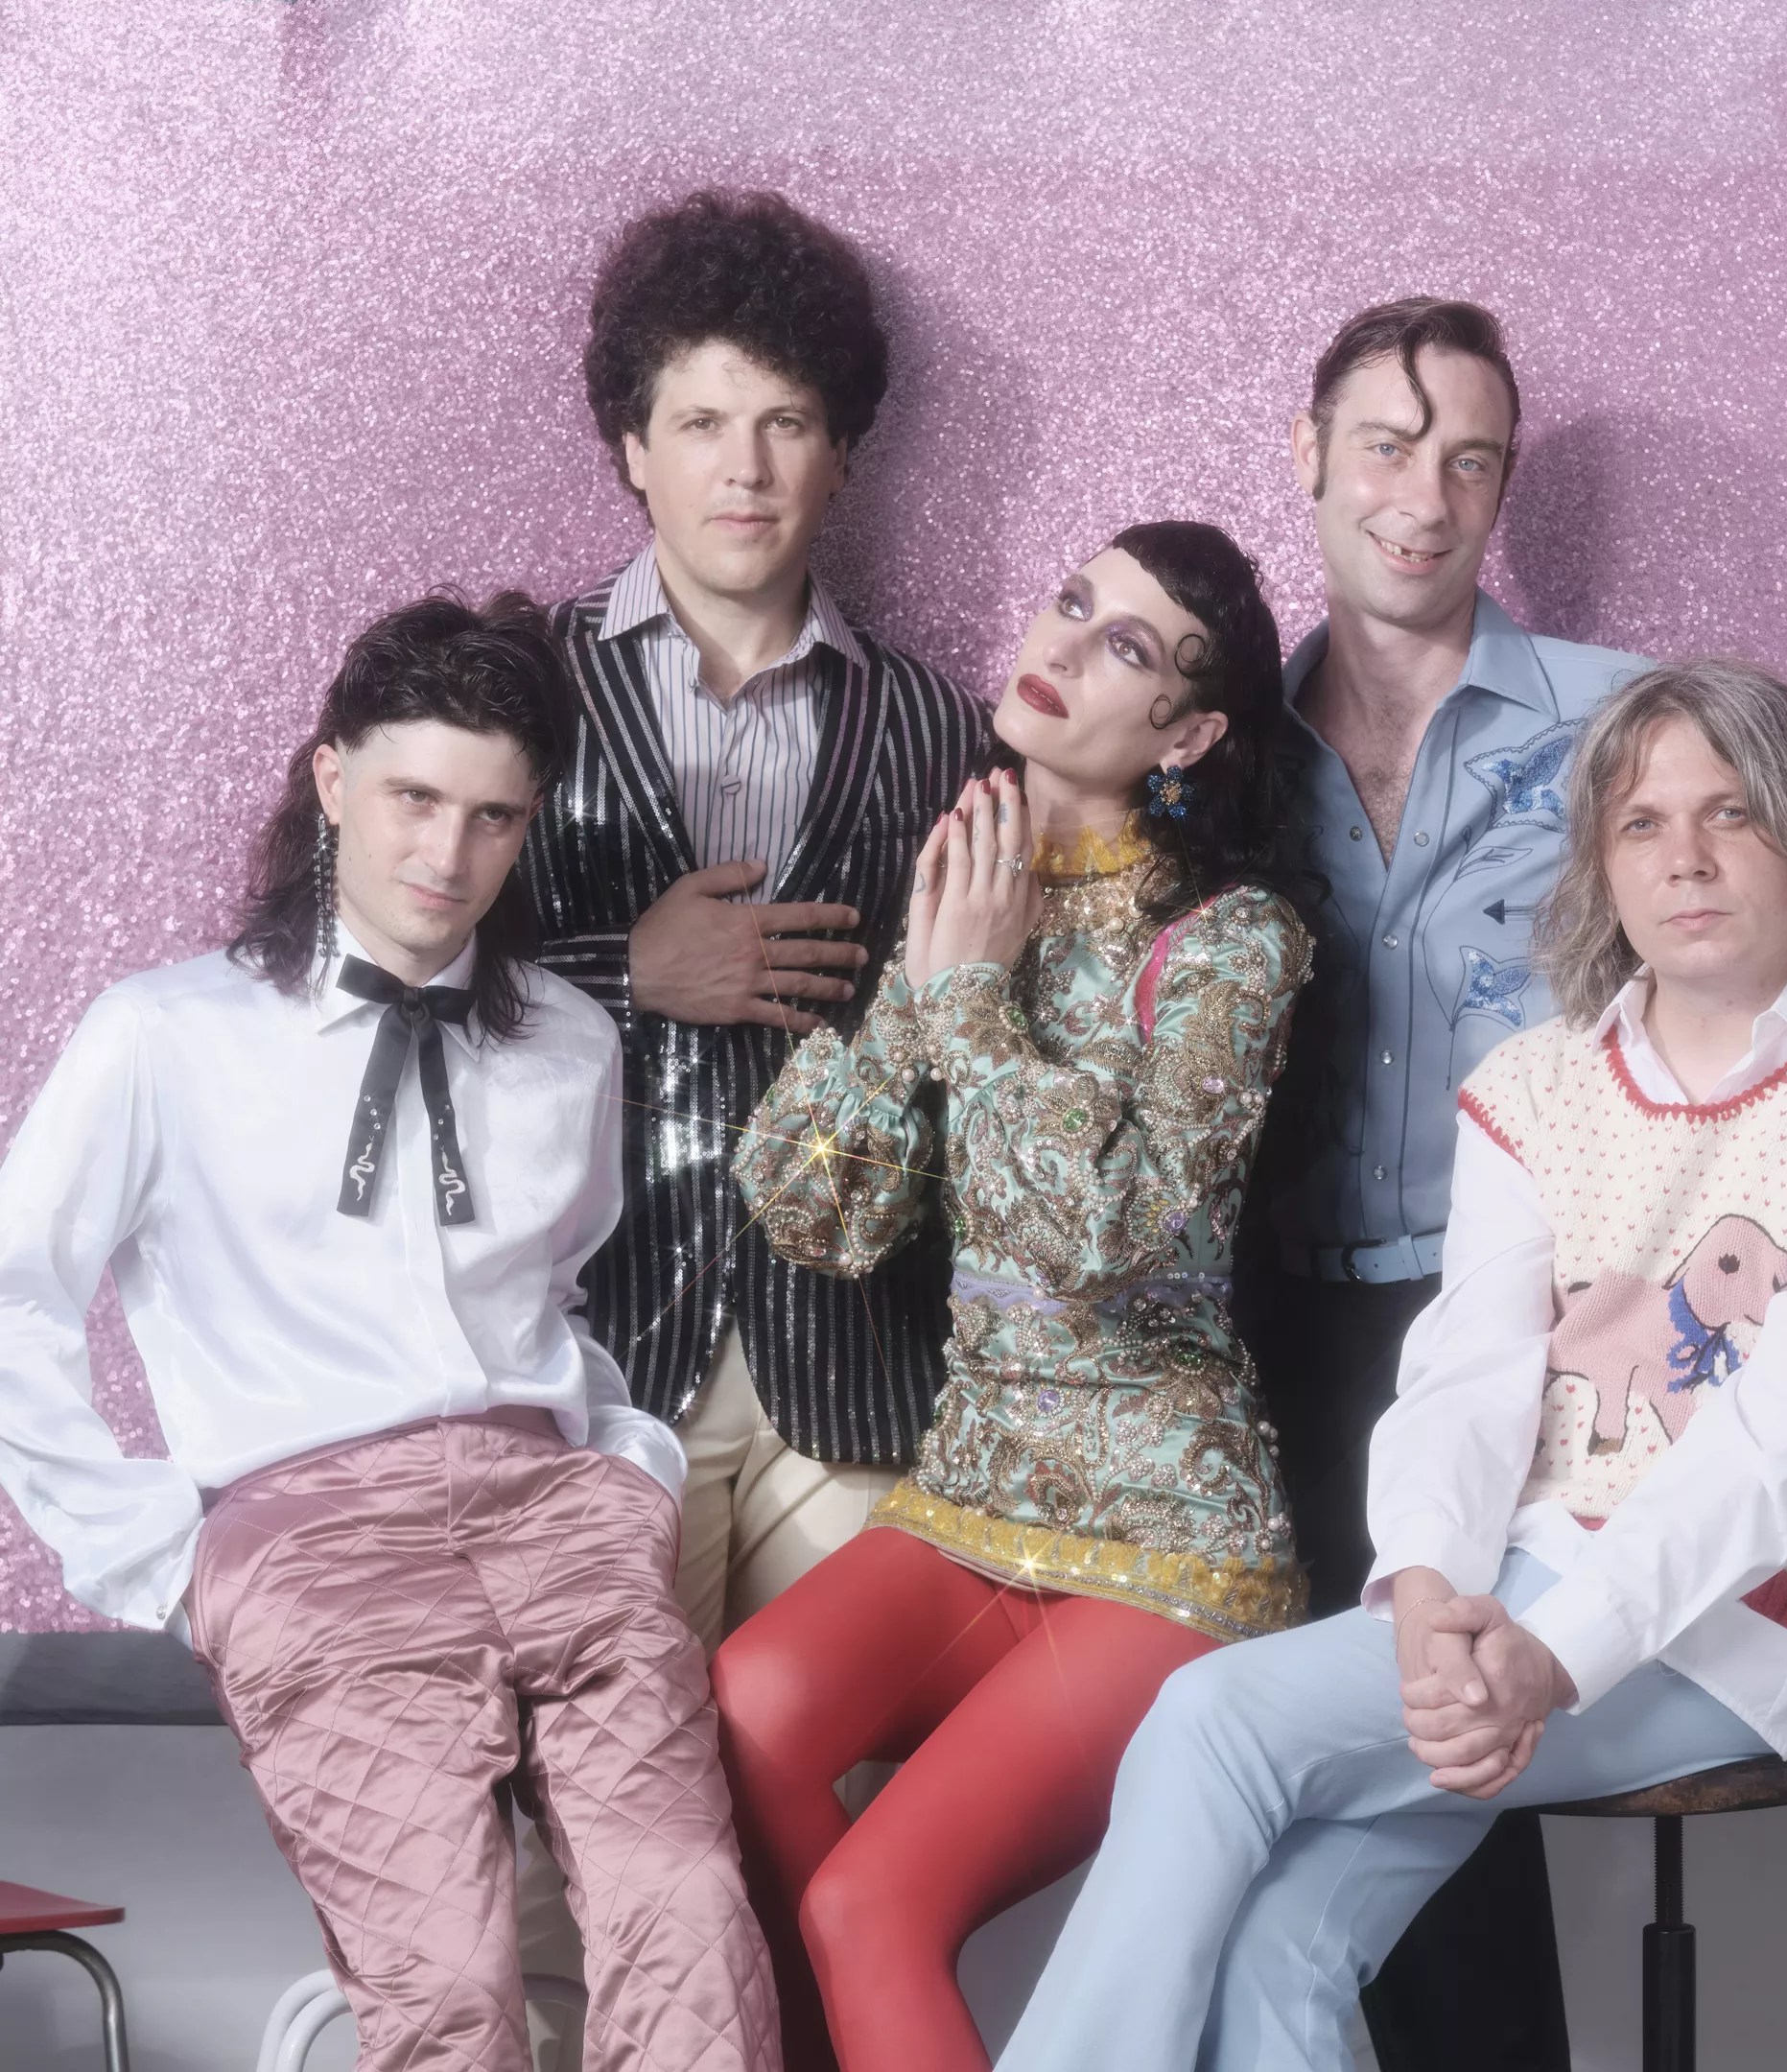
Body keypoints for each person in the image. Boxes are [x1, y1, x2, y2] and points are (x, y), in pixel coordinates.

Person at [999, 657, 1787, 2072]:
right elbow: (1467, 1376)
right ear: (1602, 862)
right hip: (1508, 1589)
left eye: (1732, 812)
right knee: (1282, 1937)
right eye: (1642, 823)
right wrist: (1428, 1597)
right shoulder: (1534, 1085)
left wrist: (1554, 1654)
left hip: (1738, 1624)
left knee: (1214, 1720)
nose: (1687, 857)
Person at [0, 596, 778, 2071]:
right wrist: (162, 1557)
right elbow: (12, 1290)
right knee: (449, 1990)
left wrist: (631, 1473)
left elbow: (554, 1292)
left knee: (690, 1921)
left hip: (560, 1514)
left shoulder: (569, 1039)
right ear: (333, 780)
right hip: (318, 1540)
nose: (447, 854)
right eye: (414, 798)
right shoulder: (164, 1034)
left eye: (492, 817)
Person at [710, 522, 1309, 2072]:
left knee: (870, 1908)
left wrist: (972, 998)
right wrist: (928, 985)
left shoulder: (1232, 943)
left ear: (1187, 735)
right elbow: (818, 1212)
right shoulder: (970, 886)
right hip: (971, 1494)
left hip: (1165, 1537)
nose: (1068, 645)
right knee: (747, 1707)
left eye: (1130, 647)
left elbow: (1100, 1236)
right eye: (1073, 602)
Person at [1239, 294, 1645, 2064]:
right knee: (1292, 1805)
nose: (1425, 498)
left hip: (1521, 1333)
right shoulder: (1218, 743)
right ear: (1310, 457)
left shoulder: (1624, 722)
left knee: (1445, 1789)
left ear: (1505, 487)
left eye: (1469, 461)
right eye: (1388, 448)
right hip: (1269, 1338)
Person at [521, 189, 986, 1657]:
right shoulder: (519, 689)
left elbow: (976, 1026)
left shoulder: (935, 725)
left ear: (843, 452)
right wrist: (625, 973)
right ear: (632, 448)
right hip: (589, 1353)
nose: (747, 467)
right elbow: (376, 978)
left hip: (852, 1365)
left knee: (836, 1767)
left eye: (786, 422)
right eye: (704, 422)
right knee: (608, 1769)